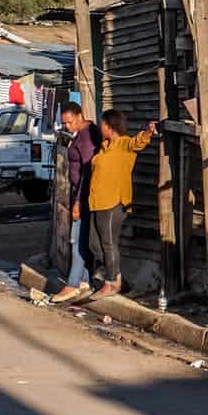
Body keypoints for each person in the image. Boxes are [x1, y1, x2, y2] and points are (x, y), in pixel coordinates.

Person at [85, 110, 156, 298]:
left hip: (114, 202)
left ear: (110, 126)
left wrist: (148, 131)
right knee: (94, 244)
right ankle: (117, 276)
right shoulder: (104, 146)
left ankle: (111, 283)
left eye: (103, 124)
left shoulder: (124, 144)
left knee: (108, 243)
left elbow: (138, 142)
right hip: (97, 202)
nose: (100, 127)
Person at [50, 101, 99, 304]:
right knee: (81, 237)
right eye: (63, 124)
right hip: (78, 193)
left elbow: (88, 173)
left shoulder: (87, 137)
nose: (66, 127)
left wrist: (78, 201)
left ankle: (72, 283)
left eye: (69, 123)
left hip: (84, 195)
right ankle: (84, 279)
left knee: (76, 238)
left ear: (79, 117)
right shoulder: (81, 133)